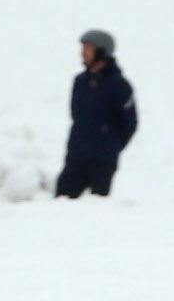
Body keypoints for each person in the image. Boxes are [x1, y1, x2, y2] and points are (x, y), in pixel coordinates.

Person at [55, 28, 137, 198]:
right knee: (61, 203)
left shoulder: (119, 85)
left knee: (97, 209)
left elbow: (130, 123)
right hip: (76, 156)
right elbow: (75, 114)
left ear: (101, 51)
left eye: (88, 48)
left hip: (103, 161)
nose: (82, 53)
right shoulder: (80, 82)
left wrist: (111, 144)